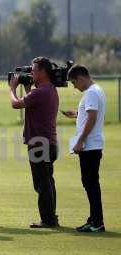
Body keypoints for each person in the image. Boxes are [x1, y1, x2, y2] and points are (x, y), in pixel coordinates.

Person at [9, 57, 59, 228]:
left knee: (41, 183)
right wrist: (27, 88)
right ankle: (51, 216)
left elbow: (16, 104)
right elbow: (33, 102)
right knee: (47, 180)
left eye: (34, 70)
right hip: (49, 142)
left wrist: (12, 89)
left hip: (39, 143)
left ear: (43, 72)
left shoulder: (40, 92)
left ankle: (48, 219)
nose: (31, 72)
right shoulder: (50, 89)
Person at [63, 64, 106, 232]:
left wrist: (80, 140)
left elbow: (92, 118)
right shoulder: (97, 90)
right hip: (92, 144)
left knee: (91, 183)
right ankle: (94, 219)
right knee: (90, 183)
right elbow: (89, 115)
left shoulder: (91, 93)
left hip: (90, 145)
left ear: (80, 78)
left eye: (74, 83)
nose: (75, 86)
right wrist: (76, 114)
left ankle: (97, 222)